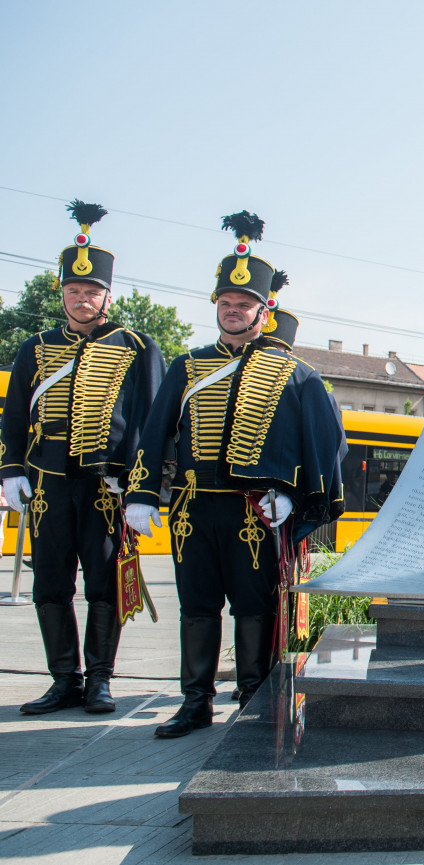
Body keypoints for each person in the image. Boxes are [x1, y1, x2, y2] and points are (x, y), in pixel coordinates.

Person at [123, 212, 344, 738]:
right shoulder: (187, 365)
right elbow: (154, 434)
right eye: (225, 304)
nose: (232, 312)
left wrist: (293, 496)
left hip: (253, 512)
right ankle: (195, 701)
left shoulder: (293, 373)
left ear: (262, 311)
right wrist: (143, 493)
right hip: (194, 509)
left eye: (243, 304)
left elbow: (324, 438)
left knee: (254, 606)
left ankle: (251, 698)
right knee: (197, 607)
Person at [1, 201, 165, 716]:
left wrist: (141, 489)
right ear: (62, 293)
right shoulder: (35, 347)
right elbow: (12, 419)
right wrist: (9, 471)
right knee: (49, 584)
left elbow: (150, 425)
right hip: (49, 484)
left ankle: (99, 680)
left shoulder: (138, 346)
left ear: (106, 295)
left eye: (91, 291)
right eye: (73, 290)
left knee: (102, 583)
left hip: (105, 487)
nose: (82, 299)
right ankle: (63, 680)